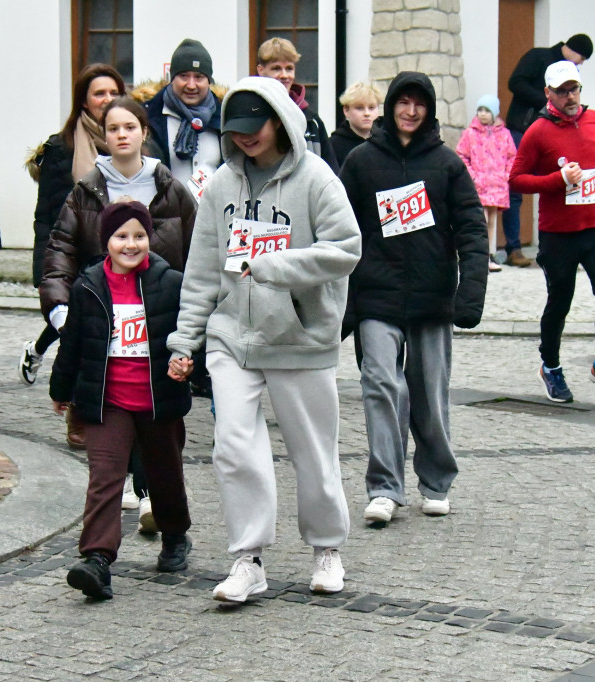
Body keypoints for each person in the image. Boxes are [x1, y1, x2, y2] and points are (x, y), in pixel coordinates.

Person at [167, 76, 360, 602]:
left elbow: (346, 247)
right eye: (238, 130)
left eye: (256, 127)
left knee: (314, 452)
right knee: (232, 445)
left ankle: (326, 548)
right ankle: (247, 559)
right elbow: (203, 268)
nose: (247, 138)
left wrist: (274, 267)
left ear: (280, 121)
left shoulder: (317, 179)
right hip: (233, 335)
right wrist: (185, 341)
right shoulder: (222, 187)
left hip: (300, 337)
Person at [40, 96, 197, 530]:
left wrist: (192, 319)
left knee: (158, 431)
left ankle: (159, 511)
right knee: (110, 419)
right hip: (102, 314)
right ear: (103, 136)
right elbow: (60, 251)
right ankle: (102, 544)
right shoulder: (87, 189)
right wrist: (61, 310)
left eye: (130, 126)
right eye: (113, 129)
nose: (122, 135)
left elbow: (199, 249)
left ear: (144, 132)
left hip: (160, 316)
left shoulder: (169, 187)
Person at [339, 71, 487, 525]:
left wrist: (469, 296)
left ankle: (436, 480)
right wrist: (340, 309)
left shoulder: (447, 165)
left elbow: (473, 231)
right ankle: (385, 487)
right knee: (380, 386)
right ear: (390, 107)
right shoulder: (361, 162)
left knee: (428, 393)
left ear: (428, 109)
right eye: (401, 102)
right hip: (376, 299)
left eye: (418, 103)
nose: (409, 110)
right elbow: (339, 235)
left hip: (431, 299)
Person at [51, 201, 193, 602]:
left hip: (156, 400)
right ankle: (96, 558)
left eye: (139, 236)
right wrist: (61, 391)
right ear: (106, 241)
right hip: (107, 401)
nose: (130, 245)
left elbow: (188, 333)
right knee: (105, 479)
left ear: (149, 239)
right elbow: (74, 344)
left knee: (164, 472)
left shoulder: (170, 282)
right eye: (121, 237)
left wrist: (189, 365)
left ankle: (175, 534)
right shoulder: (89, 285)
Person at [509, 61, 595, 404]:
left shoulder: (594, 119)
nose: (570, 97)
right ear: (548, 93)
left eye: (574, 89)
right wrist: (558, 180)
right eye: (562, 91)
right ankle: (550, 367)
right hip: (558, 234)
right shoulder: (538, 130)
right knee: (559, 303)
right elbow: (516, 179)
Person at [20, 63, 125, 451]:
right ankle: (77, 414)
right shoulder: (61, 149)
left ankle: (113, 411)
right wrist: (45, 273)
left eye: (114, 93)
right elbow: (46, 216)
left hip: (120, 256)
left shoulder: (132, 141)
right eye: (100, 93)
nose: (108, 101)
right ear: (84, 99)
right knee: (81, 341)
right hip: (79, 260)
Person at [502, 33, 594, 267]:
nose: (581, 63)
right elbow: (515, 82)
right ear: (570, 49)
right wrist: (545, 103)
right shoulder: (538, 56)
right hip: (522, 129)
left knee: (564, 182)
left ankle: (564, 246)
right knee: (515, 190)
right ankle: (514, 248)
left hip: (557, 131)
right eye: (582, 57)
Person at [144, 39, 223, 196]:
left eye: (199, 77)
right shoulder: (149, 117)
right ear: (172, 78)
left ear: (209, 81)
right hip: (167, 217)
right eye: (184, 76)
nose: (191, 85)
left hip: (213, 217)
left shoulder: (224, 118)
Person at [256, 37, 340, 172]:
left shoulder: (312, 121)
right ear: (260, 70)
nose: (284, 75)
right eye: (276, 68)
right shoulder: (249, 114)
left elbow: (331, 174)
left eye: (289, 68)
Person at [456, 93, 516, 272]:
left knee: (492, 220)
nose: (482, 114)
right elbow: (462, 155)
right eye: (480, 110)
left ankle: (490, 253)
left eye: (487, 110)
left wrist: (506, 175)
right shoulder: (470, 134)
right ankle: (479, 254)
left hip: (497, 185)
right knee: (479, 220)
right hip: (479, 185)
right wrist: (472, 176)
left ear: (495, 113)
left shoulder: (504, 134)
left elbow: (513, 157)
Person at [331, 81, 381, 166]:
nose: (367, 113)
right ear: (346, 110)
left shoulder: (385, 142)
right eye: (360, 108)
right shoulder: (333, 145)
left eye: (371, 108)